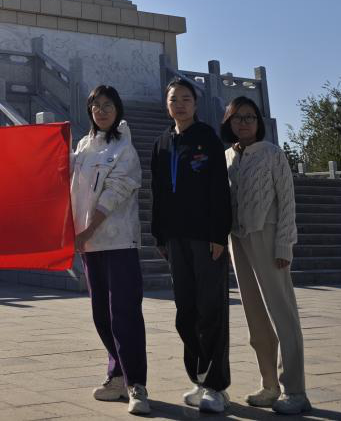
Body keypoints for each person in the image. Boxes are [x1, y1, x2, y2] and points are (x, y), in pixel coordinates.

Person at [222, 96, 310, 416]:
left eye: (250, 117)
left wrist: (285, 244)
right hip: (238, 239)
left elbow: (287, 201)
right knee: (254, 315)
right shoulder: (227, 156)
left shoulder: (273, 154)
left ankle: (295, 389)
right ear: (228, 122)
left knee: (282, 314)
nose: (244, 122)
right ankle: (269, 384)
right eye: (237, 117)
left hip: (269, 236)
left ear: (259, 122)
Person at [150, 77, 232, 414]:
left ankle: (216, 385)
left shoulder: (207, 138)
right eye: (174, 99)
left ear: (196, 104)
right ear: (167, 104)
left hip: (204, 236)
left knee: (211, 308)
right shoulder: (162, 143)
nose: (180, 104)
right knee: (186, 311)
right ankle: (198, 379)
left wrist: (218, 234)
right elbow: (157, 191)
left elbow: (219, 188)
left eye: (186, 99)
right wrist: (159, 234)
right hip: (175, 237)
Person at [71, 85, 150, 415]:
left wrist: (89, 229)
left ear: (118, 109)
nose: (101, 111)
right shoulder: (84, 146)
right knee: (101, 313)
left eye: (108, 105)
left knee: (124, 313)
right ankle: (116, 376)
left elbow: (115, 192)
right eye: (96, 106)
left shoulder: (124, 148)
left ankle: (136, 384)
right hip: (90, 244)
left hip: (118, 241)